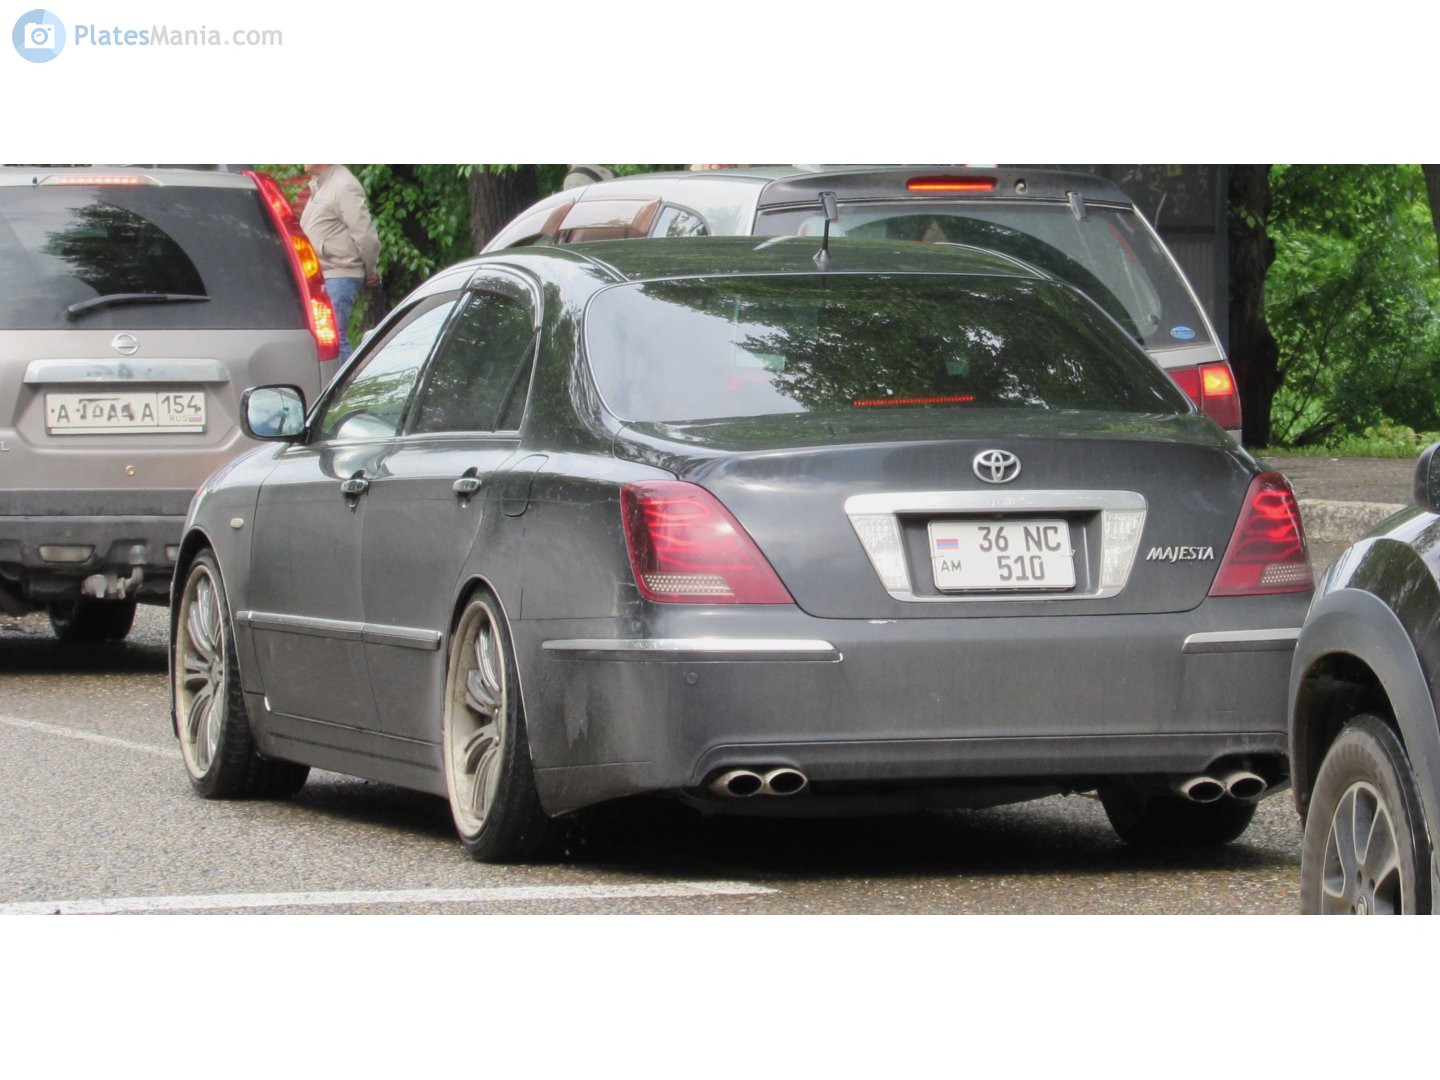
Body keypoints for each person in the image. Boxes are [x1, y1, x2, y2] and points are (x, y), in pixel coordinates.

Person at [300, 164, 380, 362]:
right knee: (326, 340)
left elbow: (365, 235)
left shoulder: (344, 185)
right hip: (323, 274)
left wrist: (370, 271)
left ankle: (349, 390)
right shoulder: (322, 185)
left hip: (339, 273)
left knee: (334, 340)